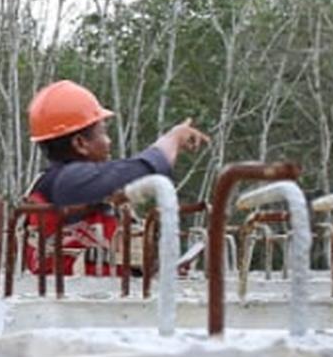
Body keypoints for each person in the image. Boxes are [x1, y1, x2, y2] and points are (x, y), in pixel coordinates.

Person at [18, 80, 208, 278]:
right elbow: (140, 170)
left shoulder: (69, 185)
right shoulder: (67, 182)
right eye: (103, 132)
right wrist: (173, 139)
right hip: (74, 302)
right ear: (80, 143)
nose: (109, 141)